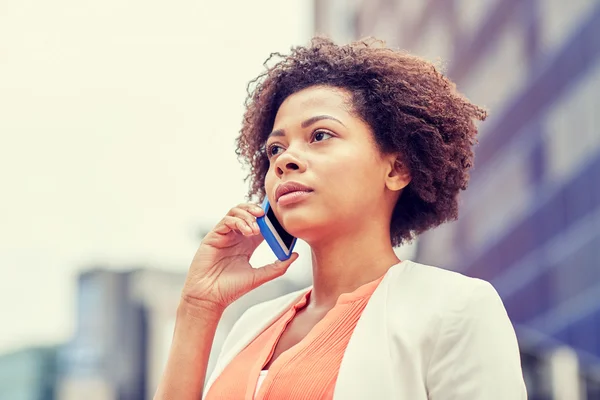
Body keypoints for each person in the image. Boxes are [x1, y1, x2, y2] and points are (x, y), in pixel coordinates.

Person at [154, 36, 527, 399]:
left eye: (320, 135)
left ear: (396, 169)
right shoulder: (251, 326)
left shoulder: (455, 307)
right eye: (275, 149)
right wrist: (198, 309)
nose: (285, 159)